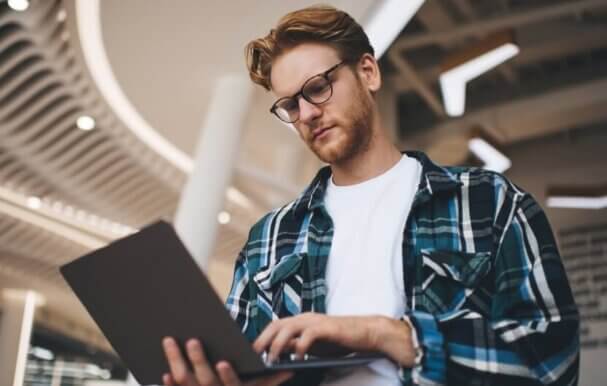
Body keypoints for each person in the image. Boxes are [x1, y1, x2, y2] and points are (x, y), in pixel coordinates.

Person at [161, 5, 580, 386]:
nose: (305, 114)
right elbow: (249, 370)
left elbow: (553, 364)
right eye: (289, 106)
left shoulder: (490, 202)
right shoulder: (267, 240)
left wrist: (387, 335)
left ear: (368, 73)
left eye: (318, 87)